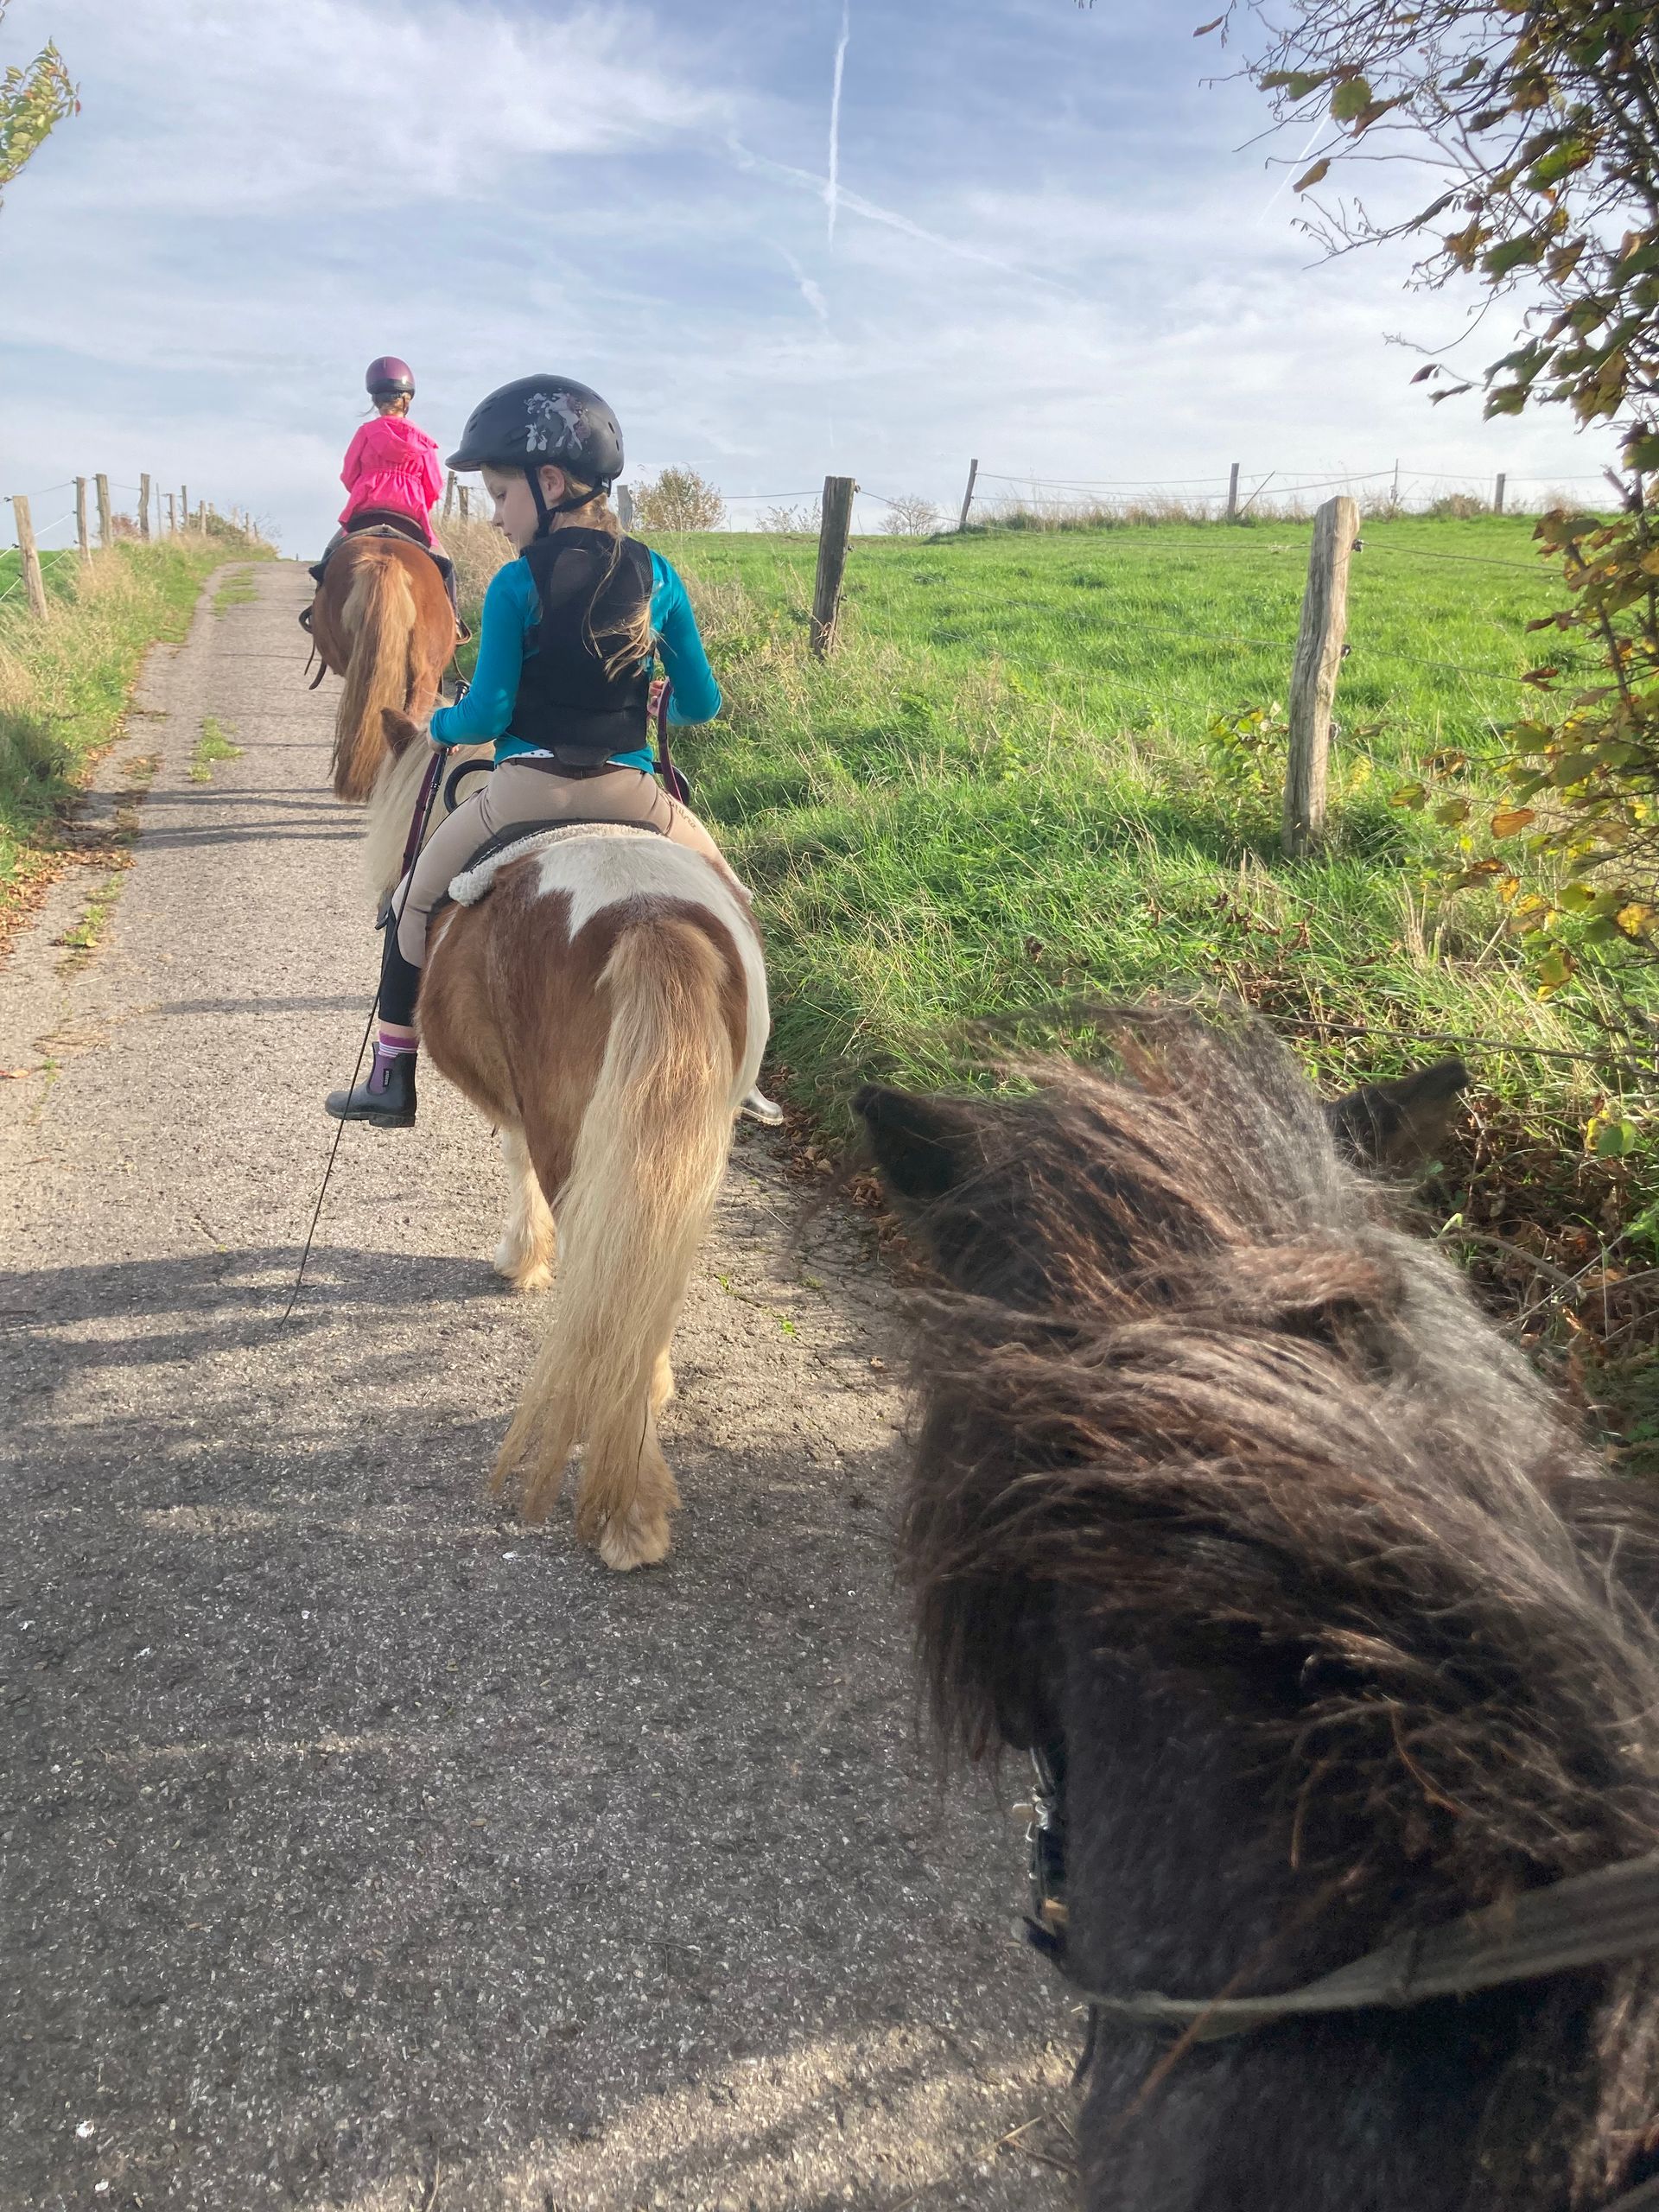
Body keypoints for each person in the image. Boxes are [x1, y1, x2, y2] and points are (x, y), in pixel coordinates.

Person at [324, 372, 783, 1132]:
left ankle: (392, 1070)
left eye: (502, 496)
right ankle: (748, 1076)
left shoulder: (513, 585)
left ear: (549, 482)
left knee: (411, 903)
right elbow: (704, 703)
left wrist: (438, 727)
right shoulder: (658, 574)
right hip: (634, 795)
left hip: (524, 793)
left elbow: (492, 710)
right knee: (735, 901)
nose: (499, 517)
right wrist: (660, 694)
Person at [312, 357, 456, 612]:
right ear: (407, 400)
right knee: (446, 565)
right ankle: (454, 618)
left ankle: (317, 610)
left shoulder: (365, 433)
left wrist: (367, 488)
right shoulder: (423, 442)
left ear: (375, 400)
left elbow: (348, 475)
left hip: (366, 511)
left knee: (329, 555)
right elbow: (434, 486)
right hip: (410, 514)